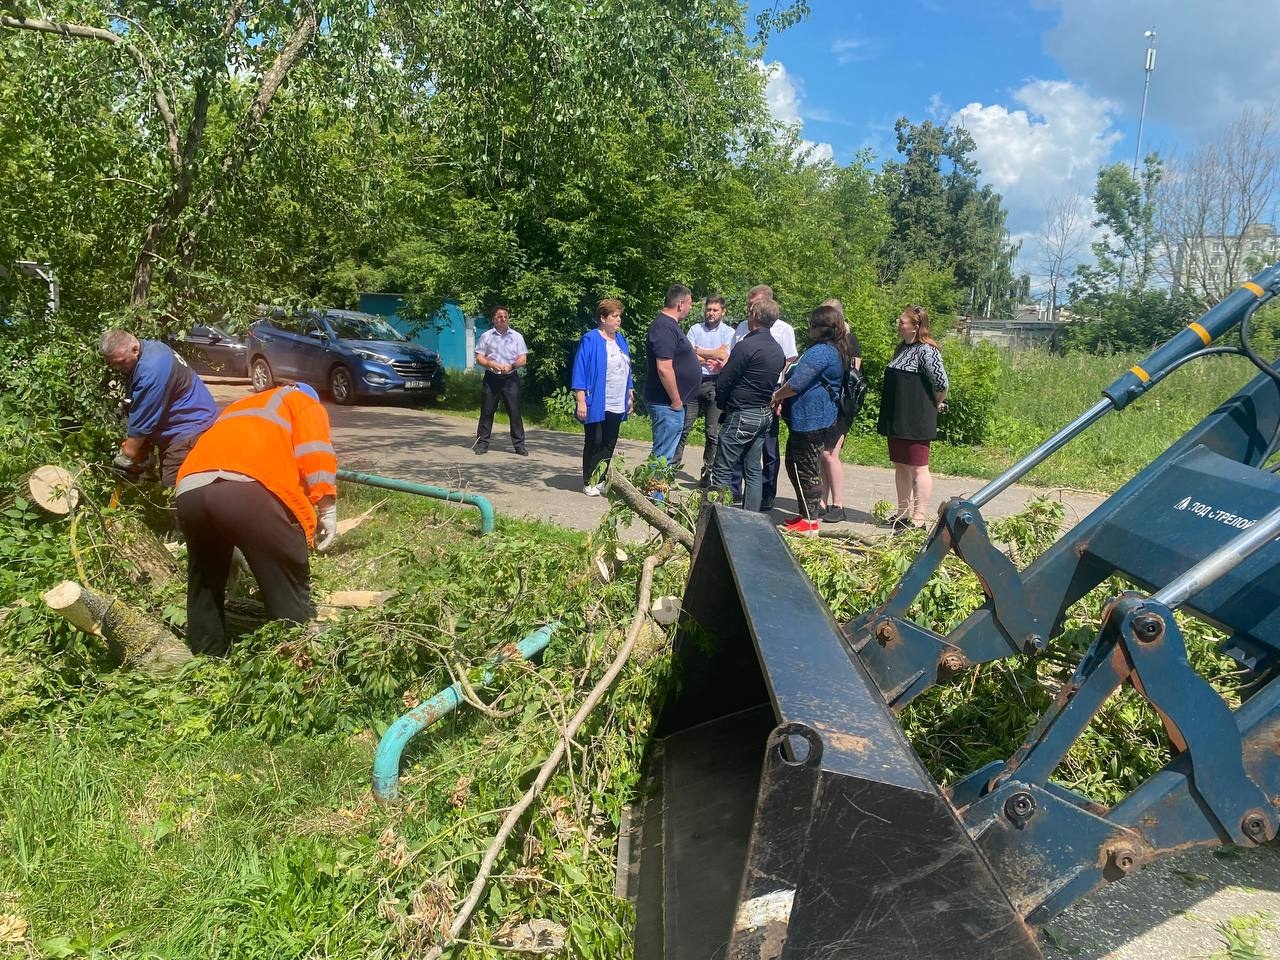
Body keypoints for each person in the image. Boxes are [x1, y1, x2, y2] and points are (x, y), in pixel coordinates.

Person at [174, 383, 338, 656]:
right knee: (287, 573)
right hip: (244, 490)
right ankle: (295, 659)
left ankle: (205, 661)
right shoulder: (302, 400)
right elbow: (315, 452)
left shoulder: (241, 407)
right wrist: (327, 508)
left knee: (205, 582)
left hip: (189, 490)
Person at [99, 329, 218, 487]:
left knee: (175, 487)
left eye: (121, 362)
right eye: (113, 363)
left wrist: (127, 456)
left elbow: (143, 420)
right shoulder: (152, 348)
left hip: (189, 430)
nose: (117, 368)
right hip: (193, 421)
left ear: (135, 349)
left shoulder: (151, 371)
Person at [772, 304, 850, 535]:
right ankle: (806, 514)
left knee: (805, 468)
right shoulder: (828, 348)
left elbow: (796, 383)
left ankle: (810, 522)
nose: (810, 329)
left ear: (826, 328)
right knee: (796, 465)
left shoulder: (822, 352)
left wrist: (776, 396)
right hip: (811, 418)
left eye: (814, 325)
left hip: (812, 419)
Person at [877, 305, 949, 530]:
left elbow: (941, 382)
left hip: (918, 416)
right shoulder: (901, 349)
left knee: (919, 466)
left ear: (916, 326)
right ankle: (902, 513)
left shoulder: (927, 350)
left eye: (902, 322)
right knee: (900, 465)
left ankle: (919, 518)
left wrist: (935, 404)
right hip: (897, 416)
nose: (898, 325)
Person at [710, 298, 786, 512]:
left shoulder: (746, 346)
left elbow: (725, 380)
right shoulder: (777, 350)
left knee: (723, 468)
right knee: (753, 469)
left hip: (743, 412)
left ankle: (719, 518)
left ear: (753, 315)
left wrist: (723, 404)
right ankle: (751, 518)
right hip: (763, 413)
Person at [731, 284, 797, 509]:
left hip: (771, 392)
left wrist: (780, 396)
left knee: (768, 447)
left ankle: (767, 493)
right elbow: (734, 357)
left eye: (754, 304)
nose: (750, 309)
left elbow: (789, 363)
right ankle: (735, 489)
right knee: (738, 443)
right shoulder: (741, 326)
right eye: (749, 304)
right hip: (742, 392)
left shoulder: (783, 329)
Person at [571, 299, 634, 495]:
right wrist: (581, 400)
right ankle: (588, 480)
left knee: (609, 441)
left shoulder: (621, 340)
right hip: (596, 399)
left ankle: (601, 479)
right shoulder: (590, 339)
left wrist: (630, 393)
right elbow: (580, 370)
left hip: (617, 399)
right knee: (595, 440)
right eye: (614, 316)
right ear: (602, 318)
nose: (619, 320)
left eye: (619, 316)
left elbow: (627, 368)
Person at [676, 295, 736, 485]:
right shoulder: (695, 329)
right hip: (694, 381)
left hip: (716, 383)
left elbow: (725, 356)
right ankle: (671, 468)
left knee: (712, 433)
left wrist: (699, 352)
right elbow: (686, 353)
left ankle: (708, 472)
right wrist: (712, 353)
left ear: (722, 312)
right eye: (708, 309)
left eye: (715, 310)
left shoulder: (729, 332)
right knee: (684, 428)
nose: (710, 313)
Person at [817, 299, 862, 524]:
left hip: (842, 405)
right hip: (826, 403)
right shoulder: (828, 340)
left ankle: (838, 504)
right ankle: (822, 502)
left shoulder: (849, 340)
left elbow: (854, 375)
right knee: (822, 455)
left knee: (830, 454)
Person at [644, 283, 699, 466]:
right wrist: (676, 400)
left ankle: (656, 493)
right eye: (690, 303)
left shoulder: (670, 326)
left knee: (665, 456)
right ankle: (653, 495)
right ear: (681, 304)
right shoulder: (664, 327)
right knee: (662, 457)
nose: (691, 308)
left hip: (670, 404)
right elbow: (664, 367)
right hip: (666, 403)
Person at [473, 305, 529, 455]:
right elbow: (479, 357)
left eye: (505, 316)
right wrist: (490, 364)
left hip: (511, 378)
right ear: (493, 319)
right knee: (487, 411)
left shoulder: (516, 336)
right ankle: (482, 444)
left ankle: (519, 445)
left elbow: (523, 358)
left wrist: (512, 366)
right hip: (492, 378)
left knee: (515, 412)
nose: (503, 319)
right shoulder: (486, 336)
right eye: (500, 316)